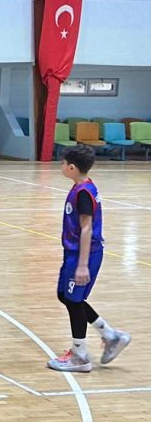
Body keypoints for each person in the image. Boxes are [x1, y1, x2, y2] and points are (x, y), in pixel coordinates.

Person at [46, 145, 131, 373]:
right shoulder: (82, 186)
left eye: (63, 163)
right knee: (65, 296)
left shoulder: (84, 192)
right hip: (73, 253)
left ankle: (80, 356)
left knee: (74, 301)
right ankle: (110, 335)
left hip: (84, 254)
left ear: (72, 167)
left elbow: (86, 229)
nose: (61, 166)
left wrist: (82, 265)